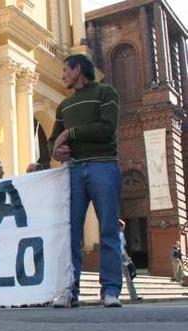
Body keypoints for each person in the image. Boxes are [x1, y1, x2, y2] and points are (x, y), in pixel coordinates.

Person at [49, 54, 122, 308]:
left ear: (78, 69)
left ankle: (110, 290)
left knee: (109, 229)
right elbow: (53, 140)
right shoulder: (63, 106)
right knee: (70, 233)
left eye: (66, 70)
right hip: (74, 171)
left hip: (104, 166)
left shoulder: (106, 92)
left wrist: (71, 133)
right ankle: (70, 289)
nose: (63, 75)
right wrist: (55, 151)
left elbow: (107, 128)